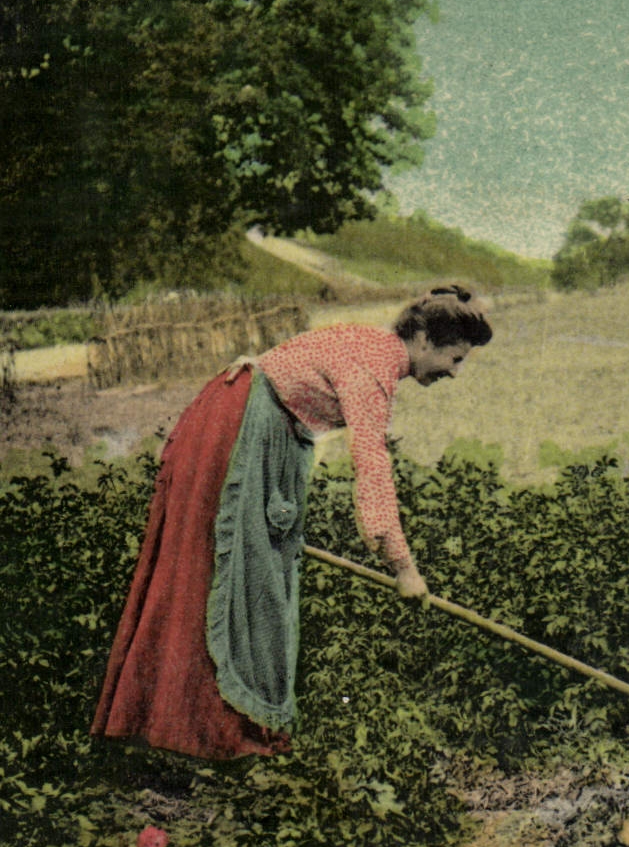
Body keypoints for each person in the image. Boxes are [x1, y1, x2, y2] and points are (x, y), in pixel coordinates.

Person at [91, 286, 492, 760]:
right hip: (237, 429)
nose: (455, 372)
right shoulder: (374, 368)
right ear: (423, 340)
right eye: (455, 357)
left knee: (252, 578)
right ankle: (197, 735)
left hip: (260, 427)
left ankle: (204, 729)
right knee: (221, 578)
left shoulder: (377, 352)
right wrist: (403, 568)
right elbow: (372, 469)